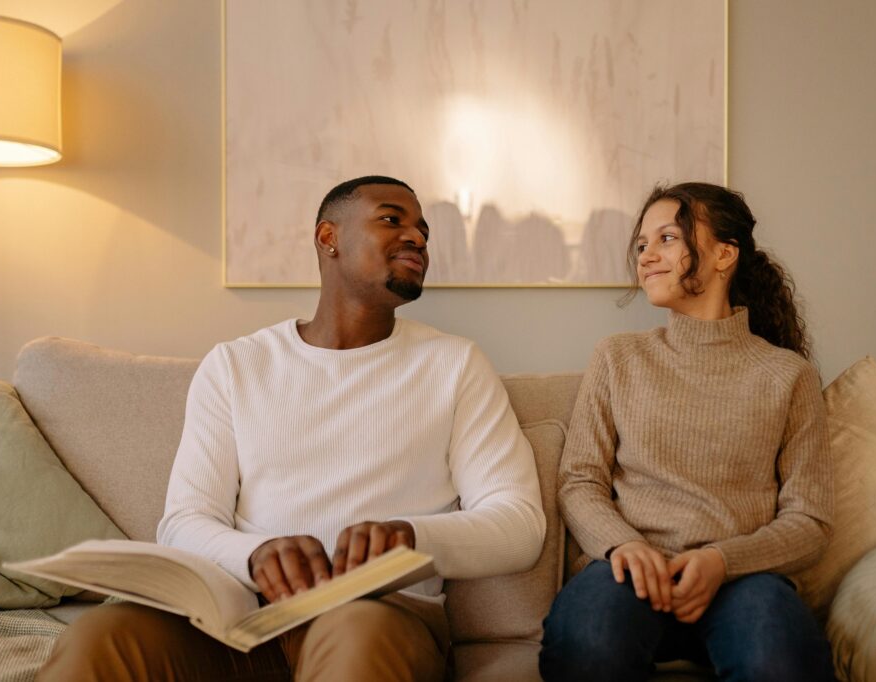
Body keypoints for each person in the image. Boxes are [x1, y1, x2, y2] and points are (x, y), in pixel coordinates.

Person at [38, 176, 545, 682]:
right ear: (329, 238)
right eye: (393, 220)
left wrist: (409, 537)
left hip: (376, 617)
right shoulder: (236, 364)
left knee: (355, 638)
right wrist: (254, 554)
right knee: (98, 637)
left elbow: (519, 524)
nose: (416, 238)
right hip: (240, 621)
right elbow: (184, 522)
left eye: (423, 231)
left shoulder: (454, 364)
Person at [539, 182, 835, 681]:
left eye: (667, 238)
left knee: (781, 664)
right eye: (641, 245)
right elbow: (580, 481)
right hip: (628, 572)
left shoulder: (789, 376)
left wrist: (723, 560)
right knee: (588, 648)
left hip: (743, 579)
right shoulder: (618, 357)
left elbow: (811, 519)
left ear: (724, 254)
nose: (647, 256)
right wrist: (623, 546)